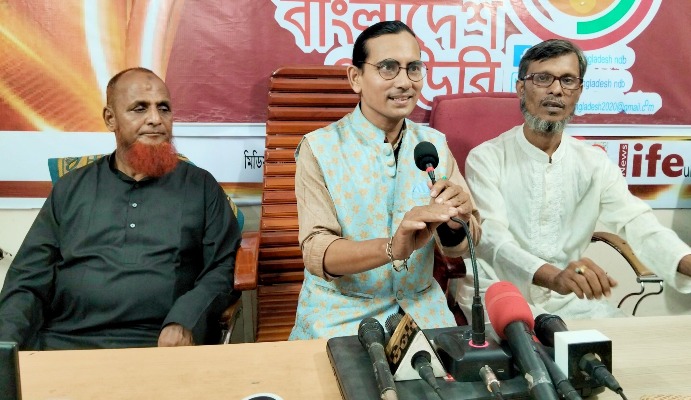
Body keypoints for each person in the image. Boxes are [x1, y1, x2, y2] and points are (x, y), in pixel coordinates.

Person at [0, 68, 240, 349]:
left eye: (164, 108)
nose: (155, 119)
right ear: (110, 118)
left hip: (158, 343)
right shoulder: (71, 188)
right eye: (140, 108)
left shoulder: (200, 186)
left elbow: (223, 268)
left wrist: (185, 320)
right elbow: (28, 278)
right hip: (65, 341)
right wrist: (6, 344)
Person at [456, 39, 691, 320]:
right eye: (543, 78)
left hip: (567, 298)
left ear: (578, 92)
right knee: (531, 342)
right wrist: (553, 276)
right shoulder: (487, 158)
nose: (556, 89)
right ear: (521, 88)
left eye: (568, 80)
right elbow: (492, 239)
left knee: (627, 337)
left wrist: (684, 261)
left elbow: (637, 222)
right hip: (497, 293)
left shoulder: (594, 163)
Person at [289, 21, 481, 340]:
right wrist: (391, 248)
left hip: (422, 310)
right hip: (341, 315)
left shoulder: (432, 145)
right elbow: (316, 251)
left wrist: (454, 224)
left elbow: (463, 244)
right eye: (388, 68)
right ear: (356, 78)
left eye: (413, 68)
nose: (405, 82)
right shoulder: (319, 148)